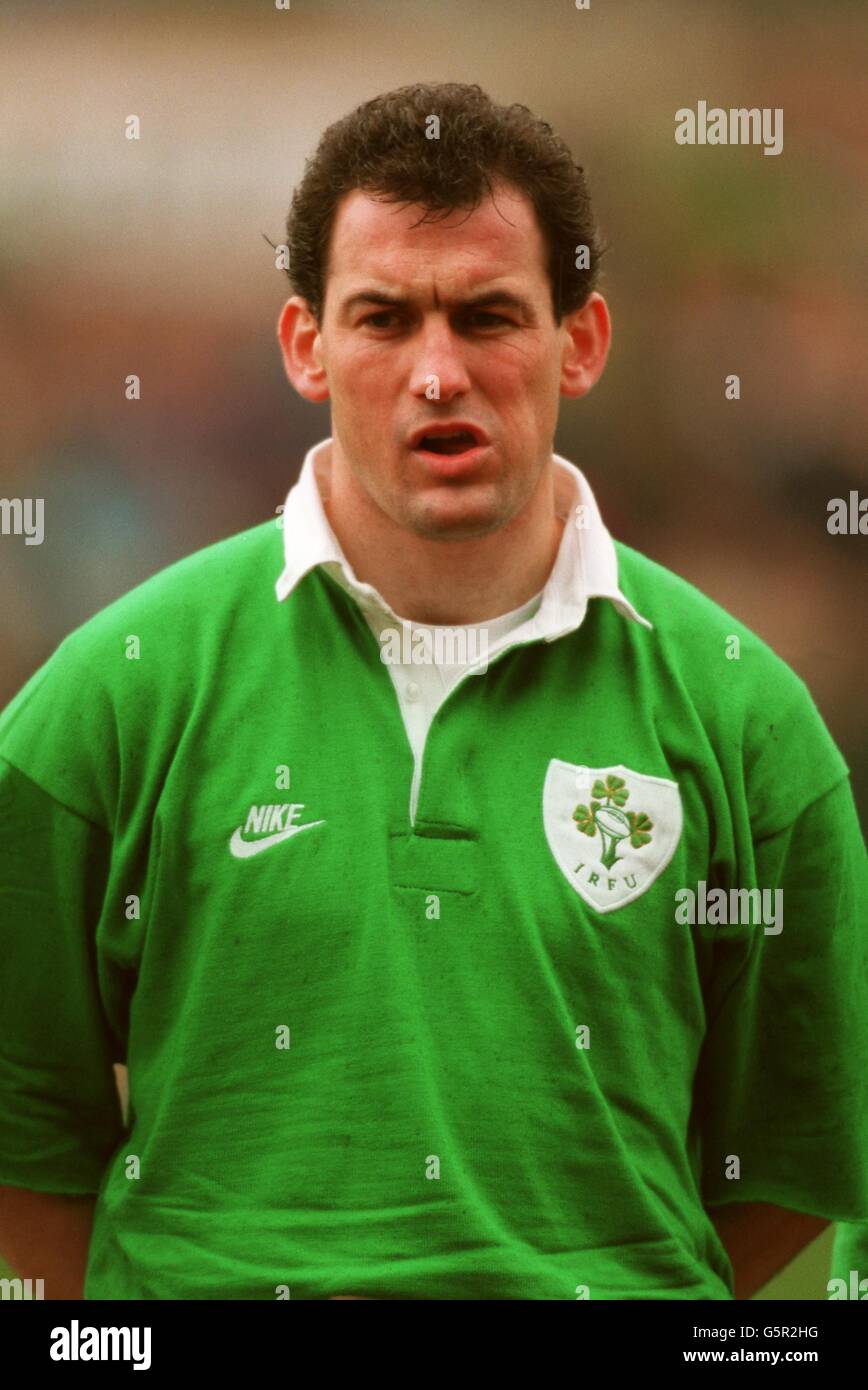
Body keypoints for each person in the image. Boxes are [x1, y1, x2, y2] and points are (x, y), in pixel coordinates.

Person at [1, 81, 866, 1302]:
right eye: (384, 318)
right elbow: (22, 1132)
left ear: (581, 339)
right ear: (307, 345)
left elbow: (789, 1159)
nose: (437, 373)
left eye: (488, 316)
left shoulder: (749, 723)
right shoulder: (108, 697)